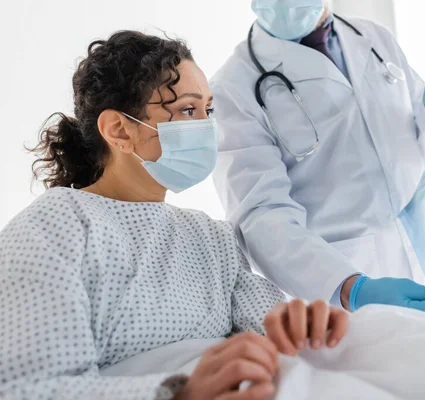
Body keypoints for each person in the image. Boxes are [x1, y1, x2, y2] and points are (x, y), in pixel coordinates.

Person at [0, 30, 359, 400]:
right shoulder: (53, 228)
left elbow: (273, 329)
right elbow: (29, 388)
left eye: (209, 110)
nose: (206, 126)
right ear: (119, 130)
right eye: (188, 110)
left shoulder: (212, 237)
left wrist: (303, 327)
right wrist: (178, 394)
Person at [210, 0, 425, 318]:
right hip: (344, 295)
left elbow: (423, 154)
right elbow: (260, 219)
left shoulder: (375, 38)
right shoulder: (233, 86)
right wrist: (353, 288)